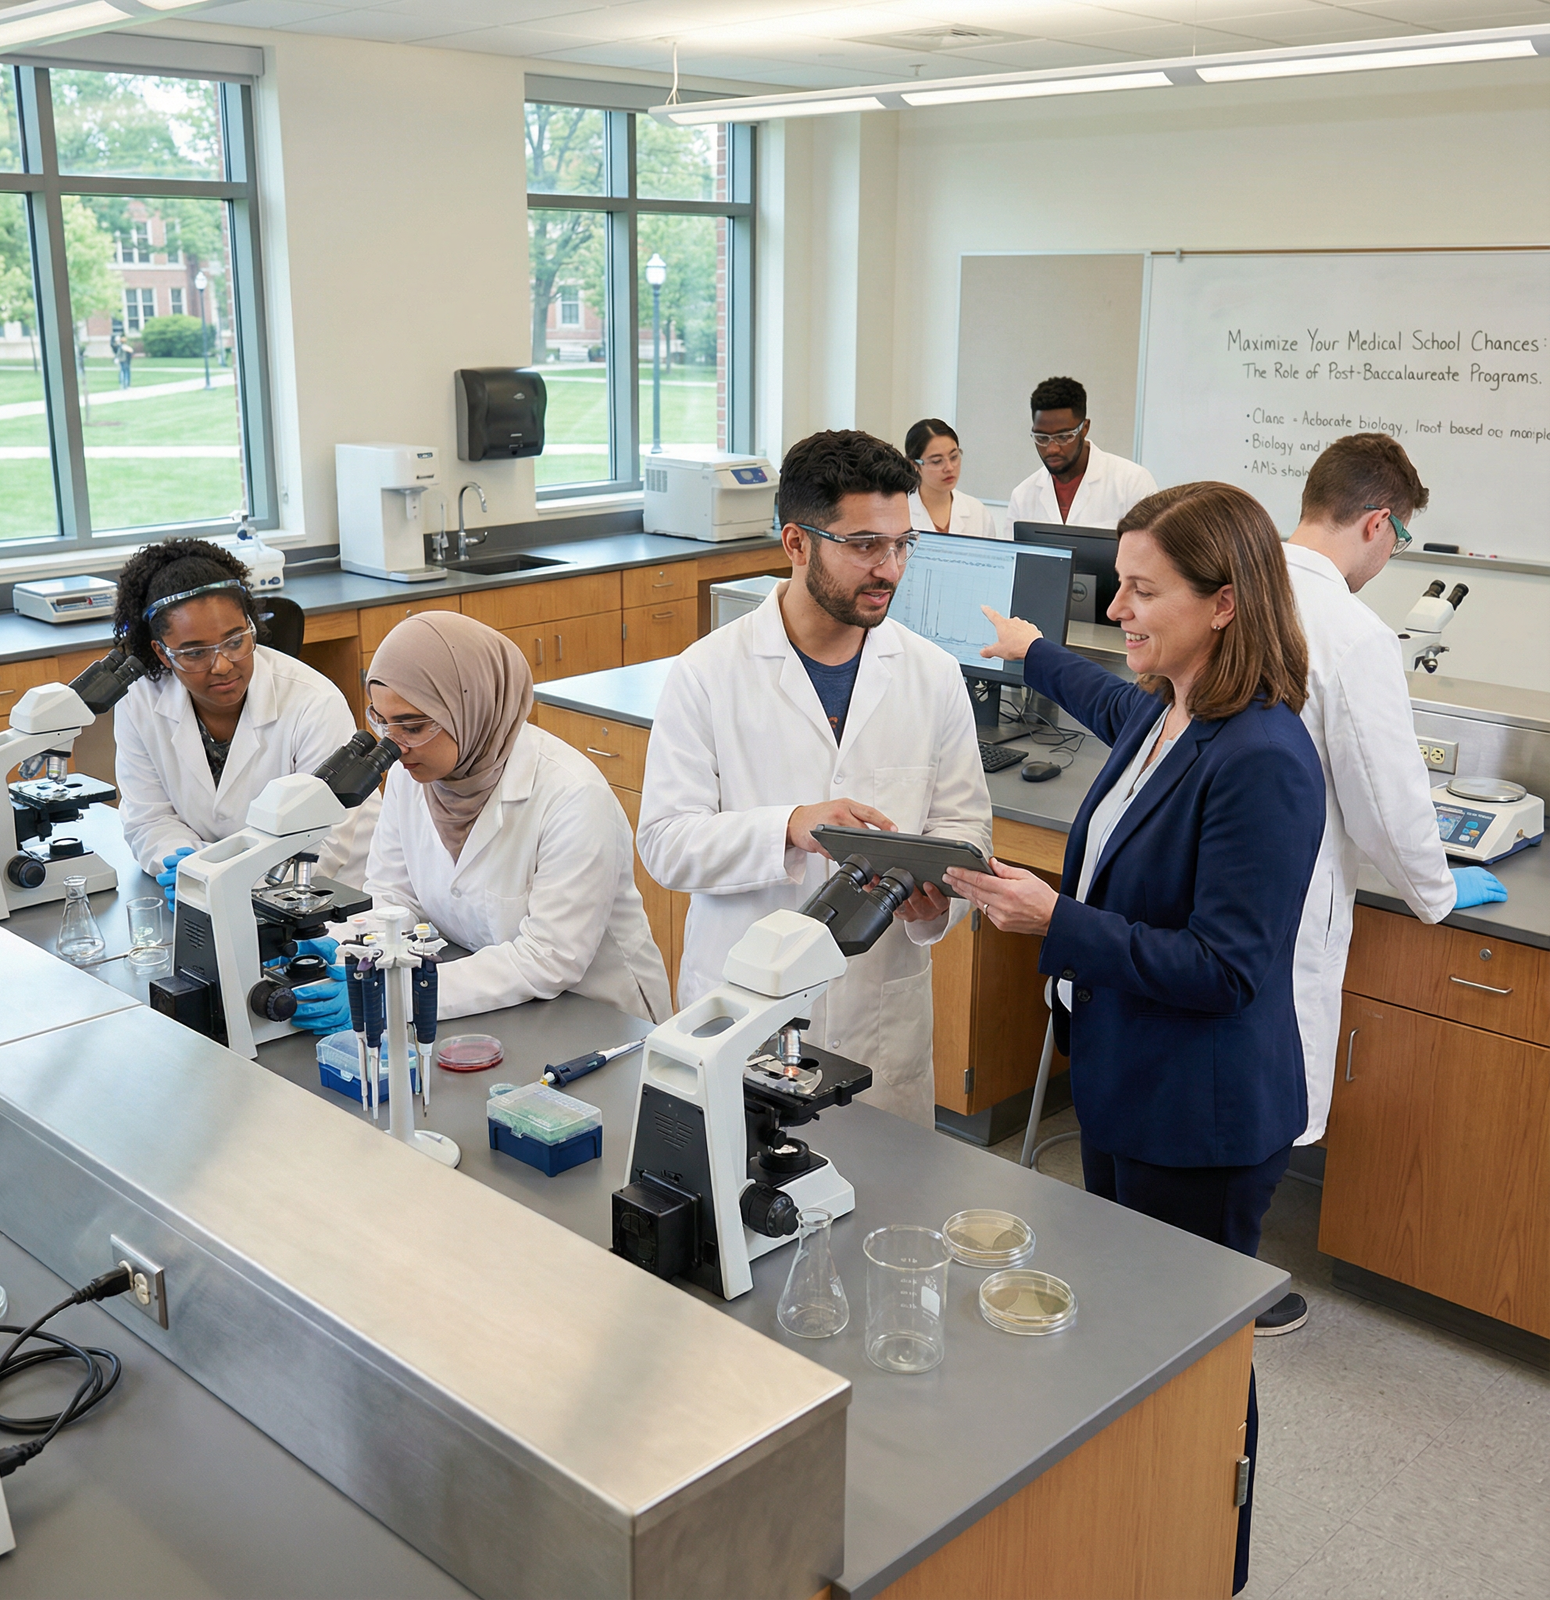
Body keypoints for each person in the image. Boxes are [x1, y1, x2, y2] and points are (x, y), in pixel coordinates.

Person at [946, 482, 1324, 1598]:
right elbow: (1107, 704)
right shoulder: (1170, 714)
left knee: (1192, 1362)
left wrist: (1052, 921)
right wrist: (1027, 650)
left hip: (1198, 1116)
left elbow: (1226, 966)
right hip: (1124, 1082)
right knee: (1119, 1341)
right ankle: (1131, 1541)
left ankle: (1210, 1562)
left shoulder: (1260, 757)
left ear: (1222, 603)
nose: (1116, 607)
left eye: (1142, 589)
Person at [638, 430, 992, 1126]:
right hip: (745, 1012)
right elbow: (666, 844)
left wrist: (938, 903)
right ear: (797, 543)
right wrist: (791, 826)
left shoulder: (932, 675)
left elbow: (964, 827)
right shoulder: (708, 674)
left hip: (878, 1014)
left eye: (902, 544)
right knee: (739, 1208)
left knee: (882, 1214)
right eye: (864, 545)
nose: (888, 568)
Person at [1263, 434, 1505, 1335]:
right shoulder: (1351, 631)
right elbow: (1387, 800)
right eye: (1398, 535)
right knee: (1266, 1081)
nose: (1393, 551)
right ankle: (1225, 1282)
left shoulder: (1235, 586)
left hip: (1208, 880)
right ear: (1376, 522)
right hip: (1288, 899)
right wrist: (1438, 893)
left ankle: (1190, 1270)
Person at [310, 611, 670, 1034]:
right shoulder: (416, 775)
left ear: (469, 705)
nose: (394, 745)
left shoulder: (572, 794)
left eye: (412, 725)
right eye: (383, 721)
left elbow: (548, 958)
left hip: (597, 1019)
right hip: (497, 1011)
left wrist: (399, 992)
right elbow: (395, 896)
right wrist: (343, 946)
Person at [112, 538, 378, 915]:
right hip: (209, 900)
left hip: (329, 903)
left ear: (252, 627)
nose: (221, 665)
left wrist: (221, 881)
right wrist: (186, 865)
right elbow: (149, 817)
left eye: (235, 641)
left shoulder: (314, 702)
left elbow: (325, 842)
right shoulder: (139, 700)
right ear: (161, 653)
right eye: (195, 652)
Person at [1008, 375, 1156, 530]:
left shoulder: (1131, 482)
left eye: (1063, 437)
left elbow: (1152, 550)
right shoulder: (1022, 496)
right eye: (1042, 438)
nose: (1051, 448)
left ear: (1085, 428)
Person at [904, 418, 1000, 540]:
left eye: (954, 457)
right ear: (914, 465)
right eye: (937, 461)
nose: (949, 468)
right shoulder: (901, 511)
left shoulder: (977, 512)